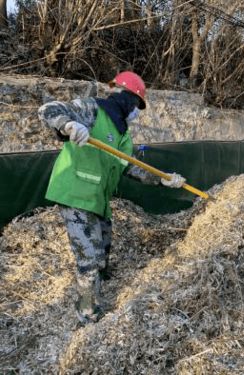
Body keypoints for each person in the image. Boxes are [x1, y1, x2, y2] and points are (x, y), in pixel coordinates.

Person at [38, 71, 185, 324]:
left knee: (104, 245)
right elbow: (48, 109)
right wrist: (69, 125)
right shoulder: (91, 109)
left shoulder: (122, 133)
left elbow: (130, 166)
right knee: (90, 259)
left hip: (98, 198)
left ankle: (99, 276)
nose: (137, 112)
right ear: (127, 98)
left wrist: (162, 179)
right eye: (137, 106)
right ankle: (87, 310)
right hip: (75, 193)